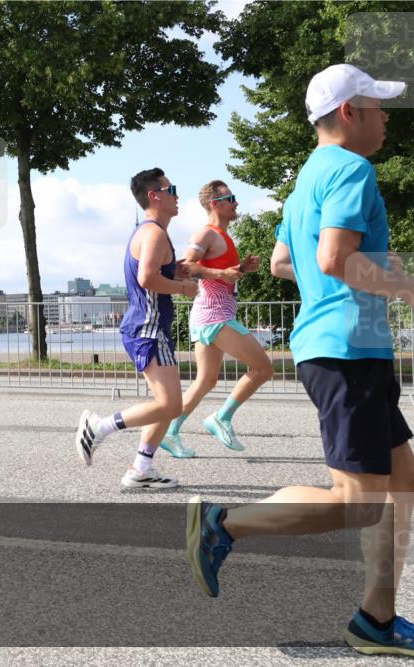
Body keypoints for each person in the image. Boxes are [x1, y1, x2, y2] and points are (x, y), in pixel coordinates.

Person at [187, 64, 414, 656]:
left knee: (403, 482)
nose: (386, 118)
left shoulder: (305, 180)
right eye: (377, 106)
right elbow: (335, 258)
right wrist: (405, 285)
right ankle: (223, 523)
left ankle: (377, 618)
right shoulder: (352, 169)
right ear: (349, 113)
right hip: (347, 351)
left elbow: (286, 262)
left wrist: (347, 277)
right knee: (358, 503)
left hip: (342, 348)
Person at [75, 168, 197, 489]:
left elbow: (155, 271)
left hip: (149, 327)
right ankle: (99, 427)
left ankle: (141, 469)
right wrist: (183, 288)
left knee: (165, 404)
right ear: (154, 196)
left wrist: (178, 271)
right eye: (172, 190)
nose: (177, 196)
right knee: (170, 405)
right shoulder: (154, 233)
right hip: (148, 328)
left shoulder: (150, 232)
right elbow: (146, 278)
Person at [160, 181, 274, 458]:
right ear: (215, 204)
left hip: (212, 314)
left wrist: (240, 269)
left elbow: (217, 272)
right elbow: (186, 267)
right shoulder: (206, 233)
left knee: (206, 380)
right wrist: (223, 274)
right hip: (214, 315)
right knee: (263, 368)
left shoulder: (223, 236)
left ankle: (169, 432)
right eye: (230, 198)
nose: (236, 203)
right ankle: (222, 418)